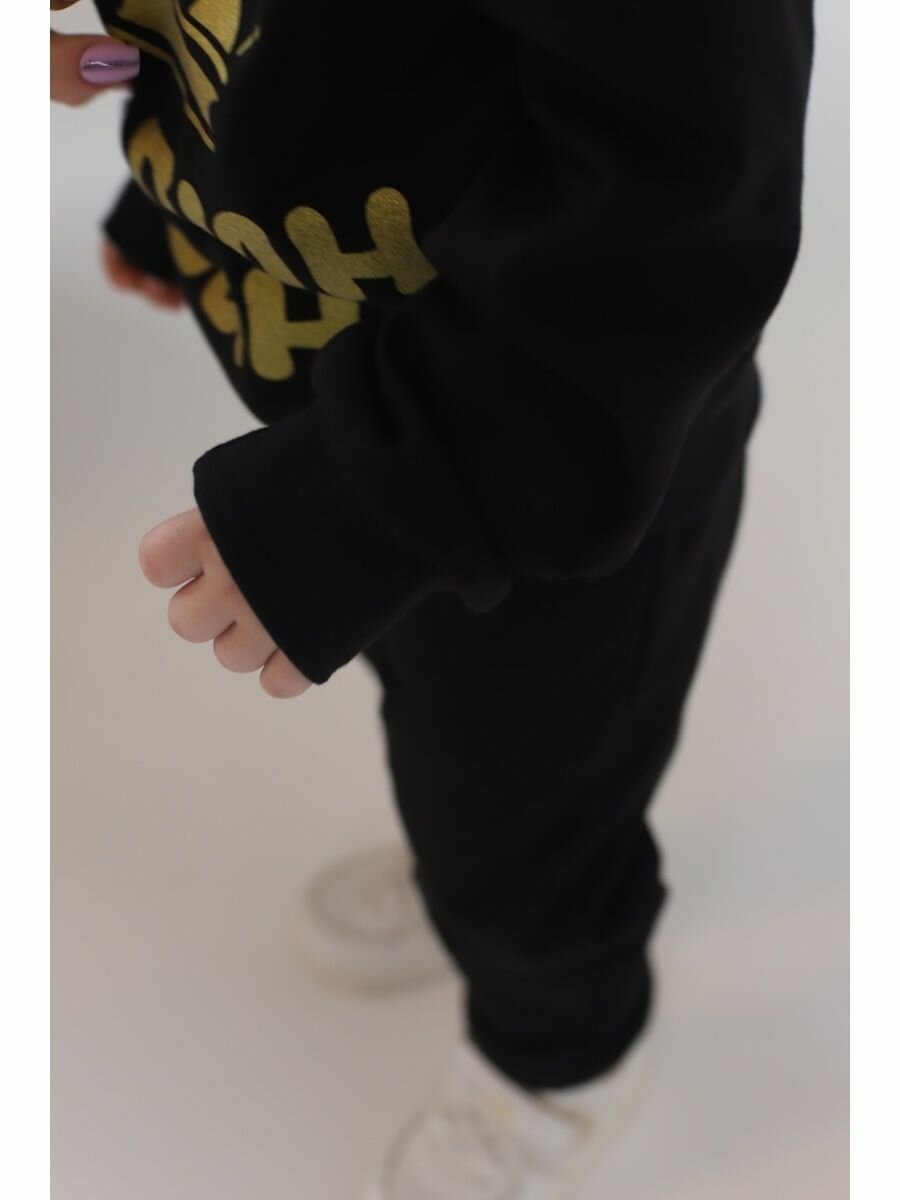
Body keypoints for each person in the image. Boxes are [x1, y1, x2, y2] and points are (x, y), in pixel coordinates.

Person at [52, 2, 815, 1196]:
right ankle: (467, 863)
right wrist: (177, 189)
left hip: (570, 475)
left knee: (532, 829)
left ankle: (560, 1060)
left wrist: (384, 495)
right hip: (373, 411)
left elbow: (674, 214)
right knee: (441, 722)